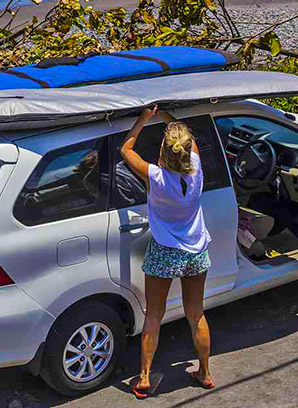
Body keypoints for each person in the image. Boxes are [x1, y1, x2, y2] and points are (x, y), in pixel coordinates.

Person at [121, 105, 215, 398]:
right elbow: (190, 140)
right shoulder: (196, 169)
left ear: (163, 150)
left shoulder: (156, 177)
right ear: (187, 150)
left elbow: (126, 150)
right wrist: (169, 118)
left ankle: (145, 377)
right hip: (196, 251)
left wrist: (143, 120)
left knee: (154, 315)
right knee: (195, 313)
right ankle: (204, 372)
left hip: (165, 251)